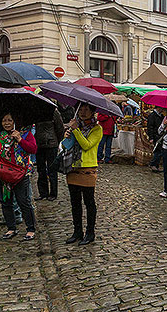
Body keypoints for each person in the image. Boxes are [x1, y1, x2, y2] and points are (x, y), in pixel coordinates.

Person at [0, 113, 37, 241]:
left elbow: (33, 149)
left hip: (19, 175)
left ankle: (30, 229)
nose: (7, 123)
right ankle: (11, 227)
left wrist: (20, 140)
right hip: (2, 175)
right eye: (4, 120)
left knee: (23, 202)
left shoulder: (25, 134)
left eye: (10, 120)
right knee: (5, 202)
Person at [64, 104, 103, 246]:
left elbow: (86, 145)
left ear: (93, 112)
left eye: (86, 110)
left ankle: (90, 232)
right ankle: (77, 231)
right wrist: (67, 135)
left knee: (89, 202)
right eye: (81, 109)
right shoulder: (75, 127)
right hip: (72, 167)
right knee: (75, 203)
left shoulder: (97, 129)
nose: (82, 112)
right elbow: (66, 145)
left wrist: (76, 131)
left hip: (87, 168)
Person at [34, 107, 65, 201]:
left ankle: (53, 193)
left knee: (52, 170)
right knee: (41, 169)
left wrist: (56, 140)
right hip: (39, 143)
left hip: (51, 144)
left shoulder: (54, 112)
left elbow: (60, 128)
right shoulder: (36, 112)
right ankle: (43, 192)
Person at [146, 106, 164, 173]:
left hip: (160, 135)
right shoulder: (152, 115)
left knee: (159, 151)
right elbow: (150, 127)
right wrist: (151, 137)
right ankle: (153, 164)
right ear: (158, 108)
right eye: (161, 108)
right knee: (158, 151)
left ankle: (156, 165)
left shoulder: (161, 116)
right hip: (155, 135)